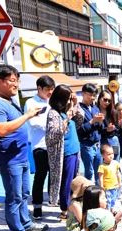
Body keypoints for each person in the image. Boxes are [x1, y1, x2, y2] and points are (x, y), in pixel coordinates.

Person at [0, 64, 48, 231]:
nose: (16, 84)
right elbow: (1, 129)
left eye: (17, 80)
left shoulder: (8, 101)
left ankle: (26, 223)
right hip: (9, 159)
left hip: (20, 156)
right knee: (14, 196)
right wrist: (27, 116)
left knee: (23, 193)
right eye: (12, 80)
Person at [46, 85, 82, 220]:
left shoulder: (66, 110)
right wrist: (67, 117)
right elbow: (54, 134)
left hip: (74, 151)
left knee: (73, 181)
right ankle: (64, 209)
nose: (69, 101)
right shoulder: (53, 113)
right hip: (65, 154)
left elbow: (80, 120)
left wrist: (75, 105)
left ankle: (72, 206)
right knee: (66, 182)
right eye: (67, 98)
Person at [24, 75, 55, 219]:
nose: (50, 92)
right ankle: (37, 205)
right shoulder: (31, 102)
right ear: (39, 88)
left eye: (52, 89)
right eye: (47, 89)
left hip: (53, 145)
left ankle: (52, 199)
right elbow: (33, 122)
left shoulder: (52, 102)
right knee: (40, 174)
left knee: (53, 173)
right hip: (39, 145)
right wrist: (51, 126)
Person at [76, 83, 105, 185]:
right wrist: (92, 121)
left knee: (99, 170)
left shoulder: (95, 108)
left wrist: (101, 122)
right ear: (83, 94)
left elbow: (101, 129)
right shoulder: (78, 109)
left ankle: (98, 192)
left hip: (97, 143)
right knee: (89, 172)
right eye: (90, 95)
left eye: (94, 95)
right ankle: (89, 193)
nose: (93, 98)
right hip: (86, 145)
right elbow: (79, 130)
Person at [99, 91, 122, 162]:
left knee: (115, 163)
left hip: (113, 140)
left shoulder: (113, 112)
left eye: (109, 101)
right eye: (105, 99)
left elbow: (118, 128)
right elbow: (95, 129)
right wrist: (106, 129)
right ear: (99, 98)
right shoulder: (95, 111)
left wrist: (113, 128)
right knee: (102, 165)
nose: (107, 102)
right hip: (101, 141)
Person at [98, 144, 122, 210]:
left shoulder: (115, 163)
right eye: (108, 154)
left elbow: (118, 173)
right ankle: (108, 211)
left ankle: (112, 209)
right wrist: (101, 186)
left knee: (114, 199)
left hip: (115, 186)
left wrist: (120, 182)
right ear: (103, 155)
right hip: (107, 187)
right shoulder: (102, 166)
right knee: (108, 200)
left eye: (112, 153)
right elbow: (100, 177)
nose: (111, 156)